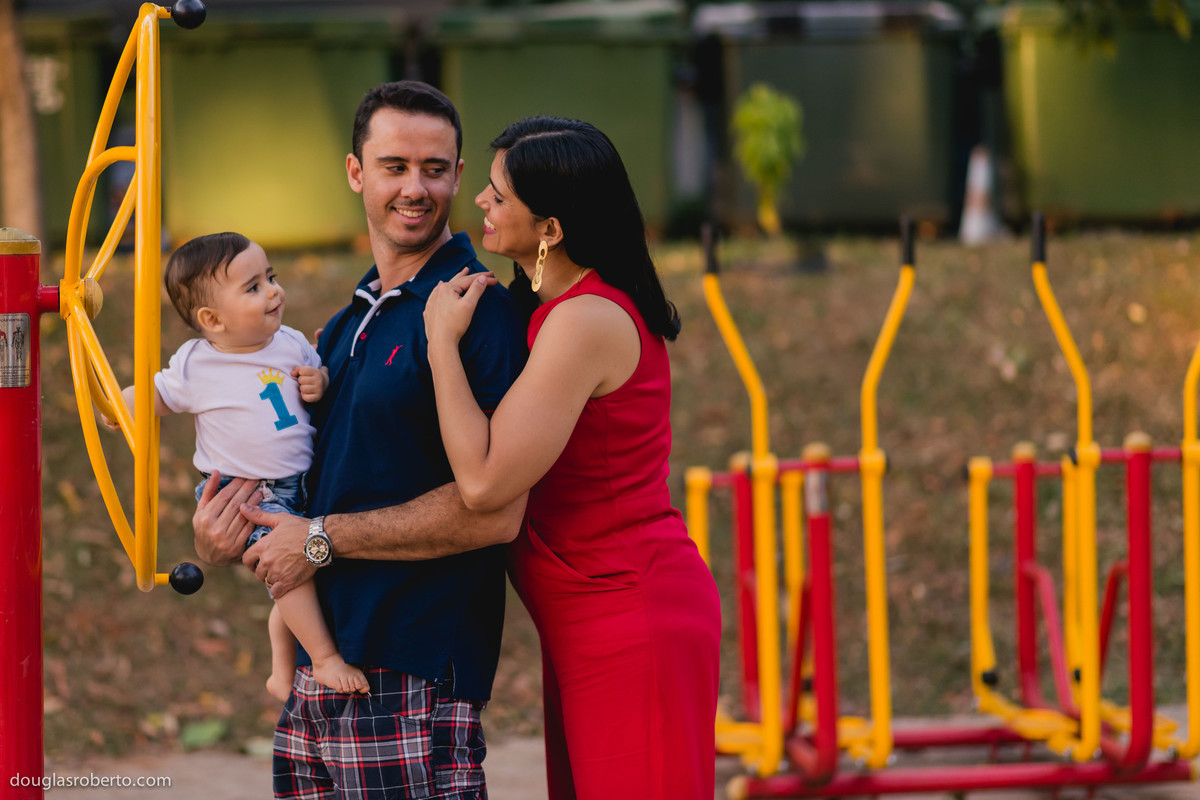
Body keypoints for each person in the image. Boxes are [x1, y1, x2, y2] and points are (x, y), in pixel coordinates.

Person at [191, 81, 527, 800]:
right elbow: (299, 489)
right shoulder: (344, 326)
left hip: (412, 679)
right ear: (355, 173)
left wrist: (316, 540)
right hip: (319, 674)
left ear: (459, 177)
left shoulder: (477, 313)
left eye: (435, 169)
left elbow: (495, 510)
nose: (416, 188)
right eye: (394, 166)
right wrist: (222, 527)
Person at [423, 116, 722, 800]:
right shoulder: (547, 309)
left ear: (551, 228)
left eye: (497, 196)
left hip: (631, 616)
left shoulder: (585, 321)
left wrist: (439, 343)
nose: (481, 205)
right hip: (590, 622)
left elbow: (483, 482)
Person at [103, 231, 369, 702]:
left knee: (297, 576)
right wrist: (115, 406)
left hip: (302, 483)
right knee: (288, 576)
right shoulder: (198, 365)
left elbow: (318, 379)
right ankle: (324, 660)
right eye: (253, 288)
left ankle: (281, 672)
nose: (273, 291)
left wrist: (319, 379)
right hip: (249, 494)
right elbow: (157, 396)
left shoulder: (289, 342)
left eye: (271, 277)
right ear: (212, 319)